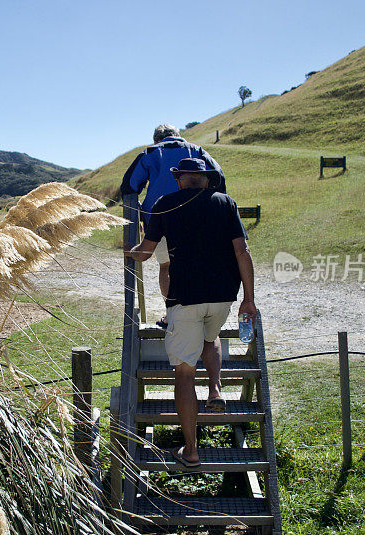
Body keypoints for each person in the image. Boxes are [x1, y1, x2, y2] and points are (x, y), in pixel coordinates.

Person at [125, 157, 255, 468]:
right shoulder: (226, 203)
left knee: (183, 373)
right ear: (207, 180)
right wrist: (248, 299)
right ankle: (215, 389)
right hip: (223, 296)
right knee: (211, 339)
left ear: (180, 179)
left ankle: (191, 450)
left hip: (184, 299)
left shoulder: (164, 203)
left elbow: (145, 253)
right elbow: (242, 251)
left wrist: (126, 253)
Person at [120, 124, 226, 327]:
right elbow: (219, 178)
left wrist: (140, 213)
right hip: (198, 220)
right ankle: (199, 314)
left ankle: (173, 315)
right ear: (179, 137)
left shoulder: (151, 152)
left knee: (166, 266)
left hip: (160, 220)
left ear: (156, 140)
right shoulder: (196, 150)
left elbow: (129, 186)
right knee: (197, 264)